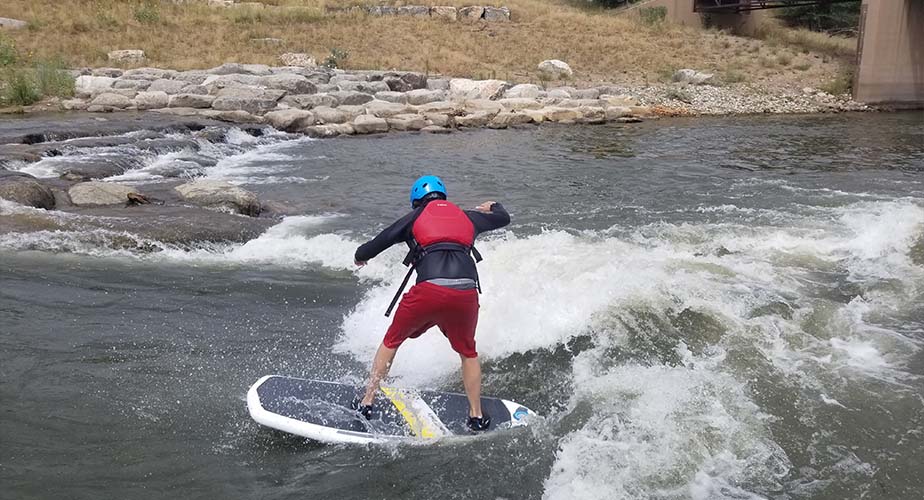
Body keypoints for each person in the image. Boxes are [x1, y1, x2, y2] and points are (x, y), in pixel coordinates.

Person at [352, 175, 510, 431]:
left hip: (428, 291)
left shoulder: (414, 218)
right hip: (465, 293)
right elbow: (504, 218)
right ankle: (476, 416)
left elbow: (378, 242)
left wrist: (360, 256)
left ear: (416, 201)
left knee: (392, 340)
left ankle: (367, 401)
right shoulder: (467, 216)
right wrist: (494, 205)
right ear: (443, 196)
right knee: (468, 352)